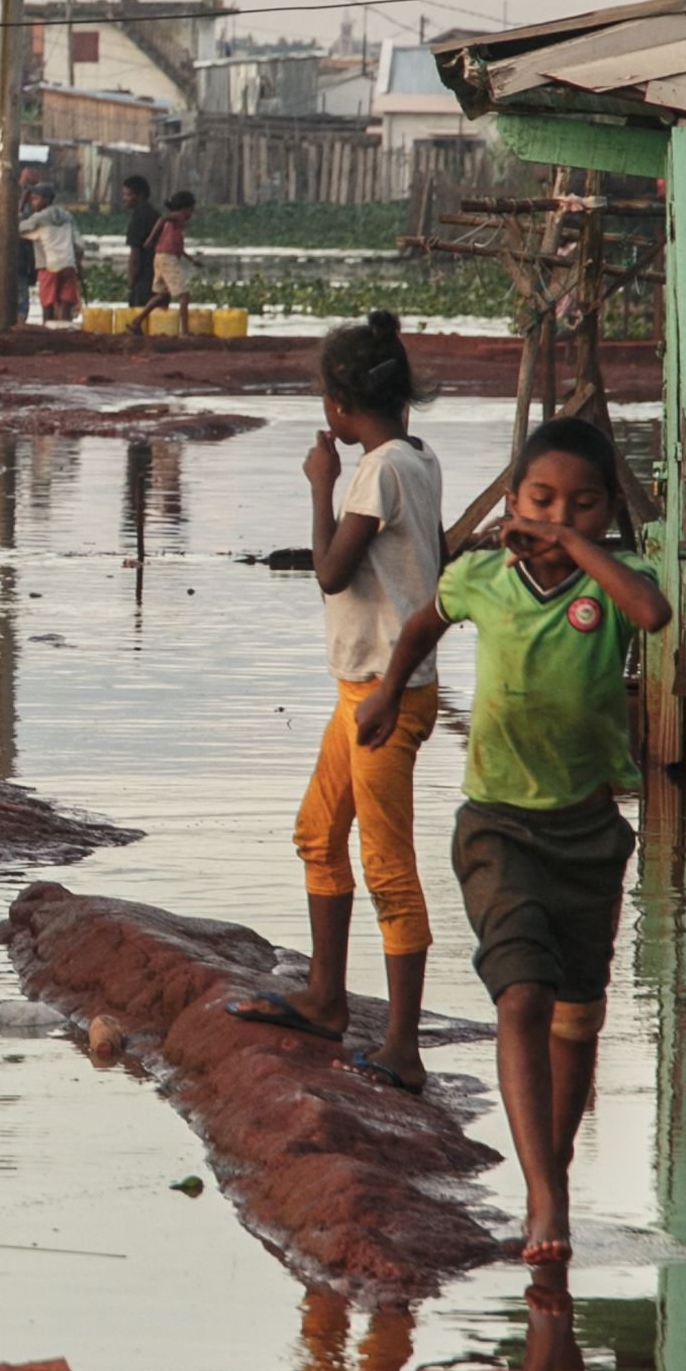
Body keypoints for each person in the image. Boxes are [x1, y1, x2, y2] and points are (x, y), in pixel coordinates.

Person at [353, 416, 671, 1266]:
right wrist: (388, 693)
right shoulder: (484, 576)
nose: (558, 513)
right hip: (498, 824)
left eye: (581, 503)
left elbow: (654, 611)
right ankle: (545, 1196)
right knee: (522, 994)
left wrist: (573, 539)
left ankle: (554, 1169)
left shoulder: (617, 579)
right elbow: (423, 624)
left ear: (607, 513)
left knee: (578, 1015)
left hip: (591, 834)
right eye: (540, 498)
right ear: (512, 499)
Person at [237, 313, 444, 1091]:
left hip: (385, 698)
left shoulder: (377, 472)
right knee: (318, 832)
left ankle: (403, 1047)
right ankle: (325, 998)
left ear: (338, 402)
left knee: (388, 866)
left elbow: (328, 570)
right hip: (366, 687)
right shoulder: (418, 458)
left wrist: (319, 485)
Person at [25, 180, 83, 323]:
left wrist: (21, 206)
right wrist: (78, 263)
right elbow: (79, 245)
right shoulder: (68, 217)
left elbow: (18, 228)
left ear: (46, 199)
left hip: (47, 266)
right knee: (65, 303)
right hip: (68, 265)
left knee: (47, 304)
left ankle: (47, 333)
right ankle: (64, 335)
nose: (33, 203)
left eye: (35, 199)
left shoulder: (38, 218)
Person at [150, 190, 201, 332]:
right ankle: (184, 331)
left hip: (160, 256)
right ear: (185, 209)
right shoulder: (178, 217)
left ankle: (137, 321)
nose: (191, 214)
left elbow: (178, 248)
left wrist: (192, 261)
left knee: (161, 296)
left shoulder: (176, 225)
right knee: (184, 295)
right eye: (191, 210)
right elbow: (163, 219)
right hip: (167, 259)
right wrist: (150, 238)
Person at [117, 175, 160, 320]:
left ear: (140, 196)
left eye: (128, 194)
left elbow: (135, 255)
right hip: (159, 275)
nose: (124, 198)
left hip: (143, 278)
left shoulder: (137, 218)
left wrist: (131, 282)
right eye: (124, 194)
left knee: (139, 319)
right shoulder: (155, 214)